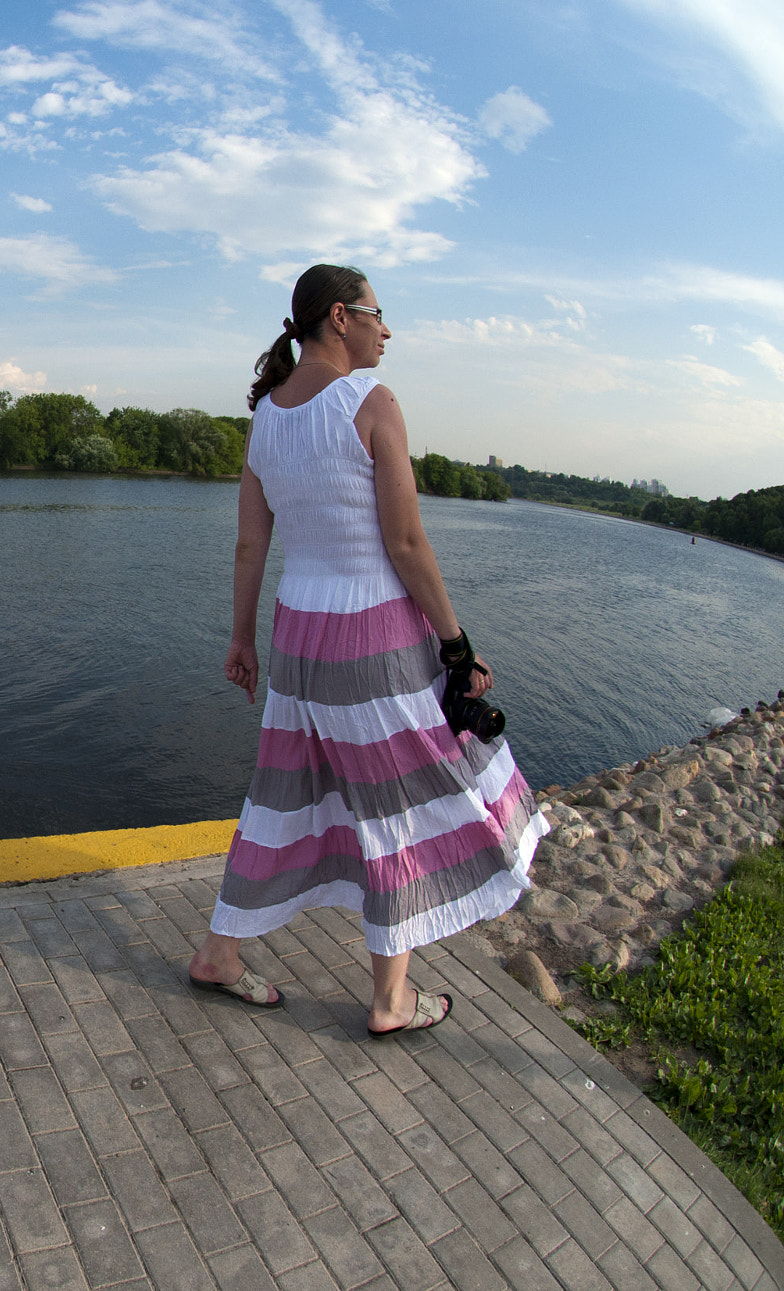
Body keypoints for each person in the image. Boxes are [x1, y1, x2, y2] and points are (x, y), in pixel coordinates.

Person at [185, 264, 548, 1035]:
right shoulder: (371, 403)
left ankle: (219, 951)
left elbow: (252, 543)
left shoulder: (268, 419)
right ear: (342, 316)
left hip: (301, 638)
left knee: (279, 801)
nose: (388, 330)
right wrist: (456, 643)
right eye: (381, 315)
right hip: (375, 636)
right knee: (401, 810)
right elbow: (406, 541)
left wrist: (241, 637)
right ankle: (390, 999)